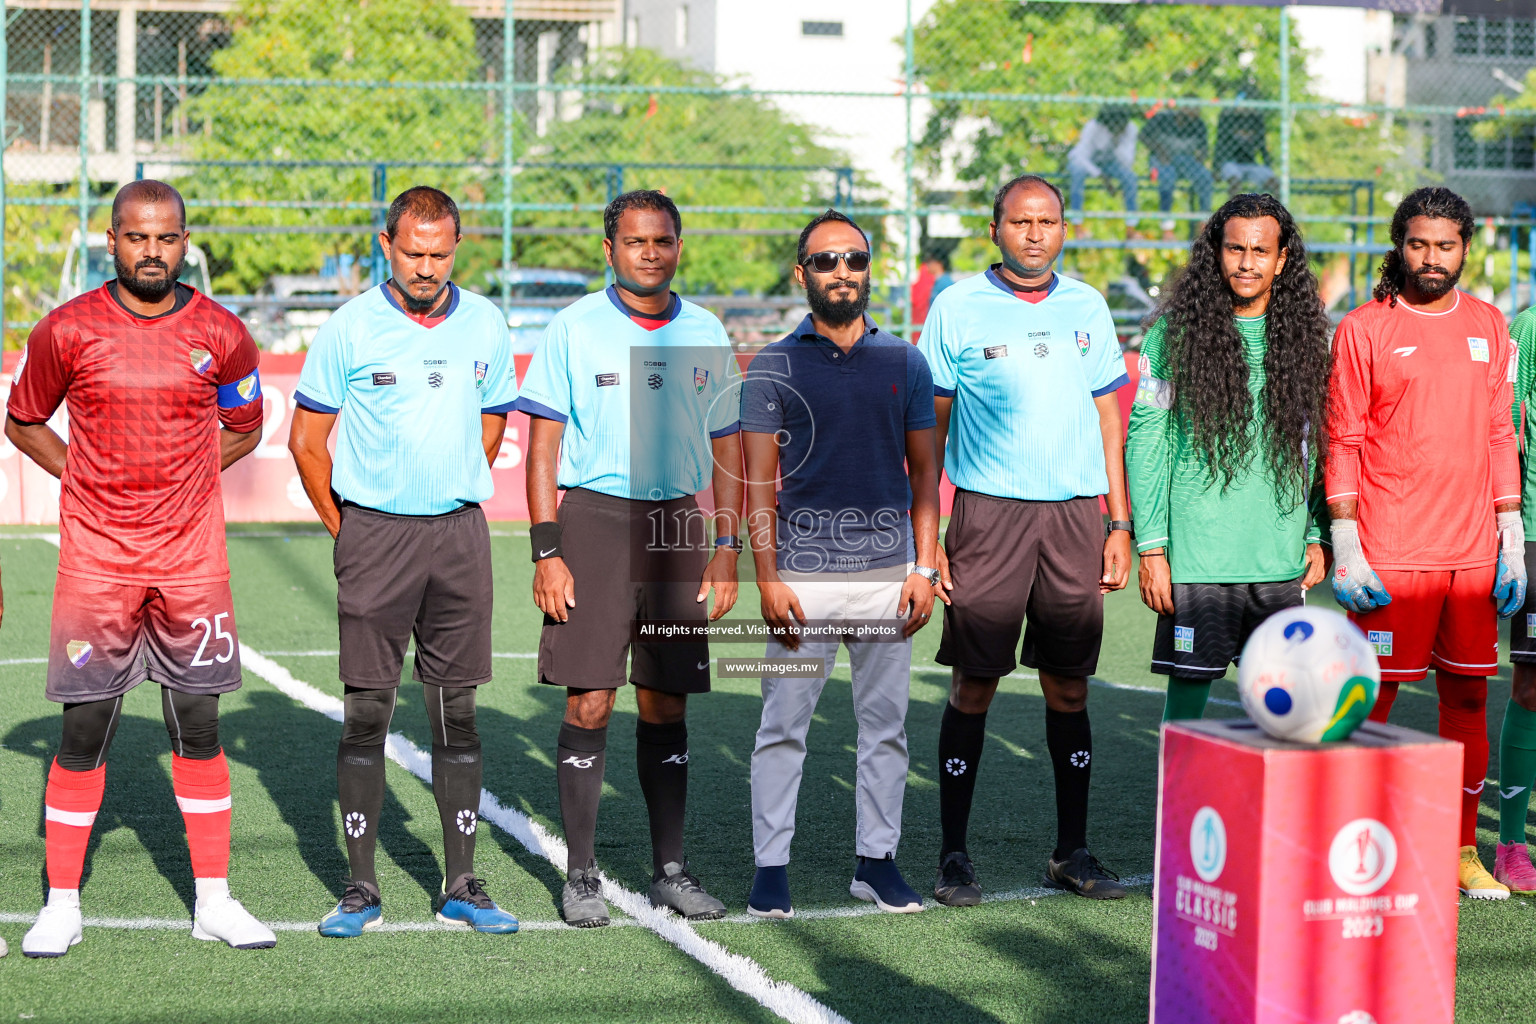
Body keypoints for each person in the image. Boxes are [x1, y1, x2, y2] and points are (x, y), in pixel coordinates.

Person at [5, 180, 274, 956]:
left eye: (166, 238)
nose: (151, 251)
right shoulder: (67, 329)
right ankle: (61, 904)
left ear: (185, 240)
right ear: (111, 240)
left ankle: (215, 901)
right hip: (98, 559)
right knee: (85, 725)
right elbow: (24, 421)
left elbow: (245, 426)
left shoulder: (223, 332)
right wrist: (86, 481)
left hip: (191, 560)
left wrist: (182, 479)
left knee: (198, 721)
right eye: (136, 237)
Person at [288, 186, 521, 937]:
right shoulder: (350, 328)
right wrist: (347, 529)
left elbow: (493, 418)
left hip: (458, 536)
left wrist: (448, 487)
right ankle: (362, 890)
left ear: (458, 247)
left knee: (457, 714)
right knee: (367, 713)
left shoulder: (485, 320)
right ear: (385, 244)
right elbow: (306, 441)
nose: (426, 266)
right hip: (374, 537)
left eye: (440, 253)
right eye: (412, 252)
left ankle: (463, 884)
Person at [515, 189, 744, 928]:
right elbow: (544, 445)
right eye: (636, 241)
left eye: (664, 241)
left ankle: (670, 870)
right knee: (590, 697)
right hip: (594, 521)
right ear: (609, 248)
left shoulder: (707, 330)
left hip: (678, 527)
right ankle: (581, 875)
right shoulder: (575, 327)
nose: (651, 252)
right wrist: (547, 550)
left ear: (680, 246)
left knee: (666, 699)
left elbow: (728, 447)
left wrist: (727, 546)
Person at [918, 174, 1133, 906]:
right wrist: (930, 534)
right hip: (988, 517)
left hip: (1075, 516)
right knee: (975, 683)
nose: (1035, 233)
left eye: (1048, 221)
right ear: (995, 230)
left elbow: (1112, 420)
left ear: (1064, 229)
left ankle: (1071, 851)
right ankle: (954, 855)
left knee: (1069, 685)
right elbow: (931, 426)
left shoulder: (1088, 307)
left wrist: (1119, 522)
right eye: (1020, 221)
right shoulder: (957, 308)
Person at [741, 210, 944, 919]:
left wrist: (924, 568)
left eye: (853, 260)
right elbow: (757, 484)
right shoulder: (773, 364)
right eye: (824, 262)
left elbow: (925, 478)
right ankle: (771, 870)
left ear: (868, 269)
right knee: (782, 728)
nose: (840, 273)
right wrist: (767, 578)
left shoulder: (905, 363)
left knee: (885, 727)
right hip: (802, 579)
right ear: (802, 274)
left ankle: (877, 863)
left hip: (890, 577)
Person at [1326, 185, 1525, 900]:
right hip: (1391, 554)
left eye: (1445, 245)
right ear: (1398, 245)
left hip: (1471, 556)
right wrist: (1347, 545)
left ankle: (1460, 847)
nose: (1431, 258)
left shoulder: (1489, 324)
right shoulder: (1363, 328)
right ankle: (1349, 841)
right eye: (1418, 244)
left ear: (1466, 247)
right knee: (1368, 700)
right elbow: (1342, 437)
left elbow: (1502, 433)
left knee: (1468, 701)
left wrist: (1512, 540)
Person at [1126, 193, 1332, 721]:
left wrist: (1316, 533)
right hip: (1199, 562)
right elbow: (1147, 442)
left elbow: (1321, 446)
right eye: (1234, 248)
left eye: (1260, 251)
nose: (1246, 262)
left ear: (1282, 259)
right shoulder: (1173, 337)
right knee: (1189, 704)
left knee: (1285, 709)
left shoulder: (1311, 342)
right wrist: (1152, 549)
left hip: (1279, 563)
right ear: (1215, 253)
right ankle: (1178, 808)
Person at [1496, 303, 1536, 892]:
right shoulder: (1528, 327)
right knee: (1532, 686)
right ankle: (1510, 841)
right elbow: (1503, 425)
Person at [1142, 103, 1214, 233]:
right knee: (1167, 177)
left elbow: (1204, 150)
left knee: (1205, 178)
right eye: (1191, 110)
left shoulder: (1199, 124)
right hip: (1162, 158)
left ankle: (1204, 223)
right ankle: (1166, 227)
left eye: (1196, 111)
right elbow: (1143, 135)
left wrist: (1201, 156)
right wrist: (1159, 150)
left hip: (1187, 161)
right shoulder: (1163, 118)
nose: (1194, 115)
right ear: (1183, 108)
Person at [1066, 104, 1141, 226]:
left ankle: (1131, 226)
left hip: (1110, 163)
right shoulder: (1093, 127)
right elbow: (1081, 156)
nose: (1118, 128)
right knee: (1077, 174)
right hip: (1085, 162)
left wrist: (1117, 143)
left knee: (1130, 178)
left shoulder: (1130, 129)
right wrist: (1100, 175)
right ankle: (1077, 223)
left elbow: (1128, 162)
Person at [1213, 99, 1275, 192]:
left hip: (1251, 164)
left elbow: (1262, 147)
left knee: (1274, 182)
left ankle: (1276, 206)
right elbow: (1220, 145)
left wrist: (1268, 166)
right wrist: (1216, 168)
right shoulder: (1228, 118)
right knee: (1234, 181)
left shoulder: (1255, 120)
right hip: (1231, 163)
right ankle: (1233, 206)